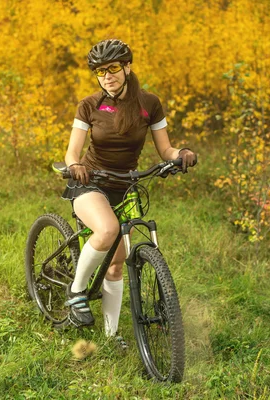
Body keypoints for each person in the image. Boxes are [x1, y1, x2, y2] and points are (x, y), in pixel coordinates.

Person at [61, 39, 197, 345]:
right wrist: (76, 167)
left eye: (112, 68)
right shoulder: (89, 105)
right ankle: (76, 292)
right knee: (108, 229)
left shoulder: (149, 104)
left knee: (116, 264)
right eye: (99, 71)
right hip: (91, 182)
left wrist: (181, 154)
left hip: (126, 184)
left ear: (127, 67)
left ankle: (110, 337)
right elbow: (72, 152)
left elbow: (165, 148)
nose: (107, 76)